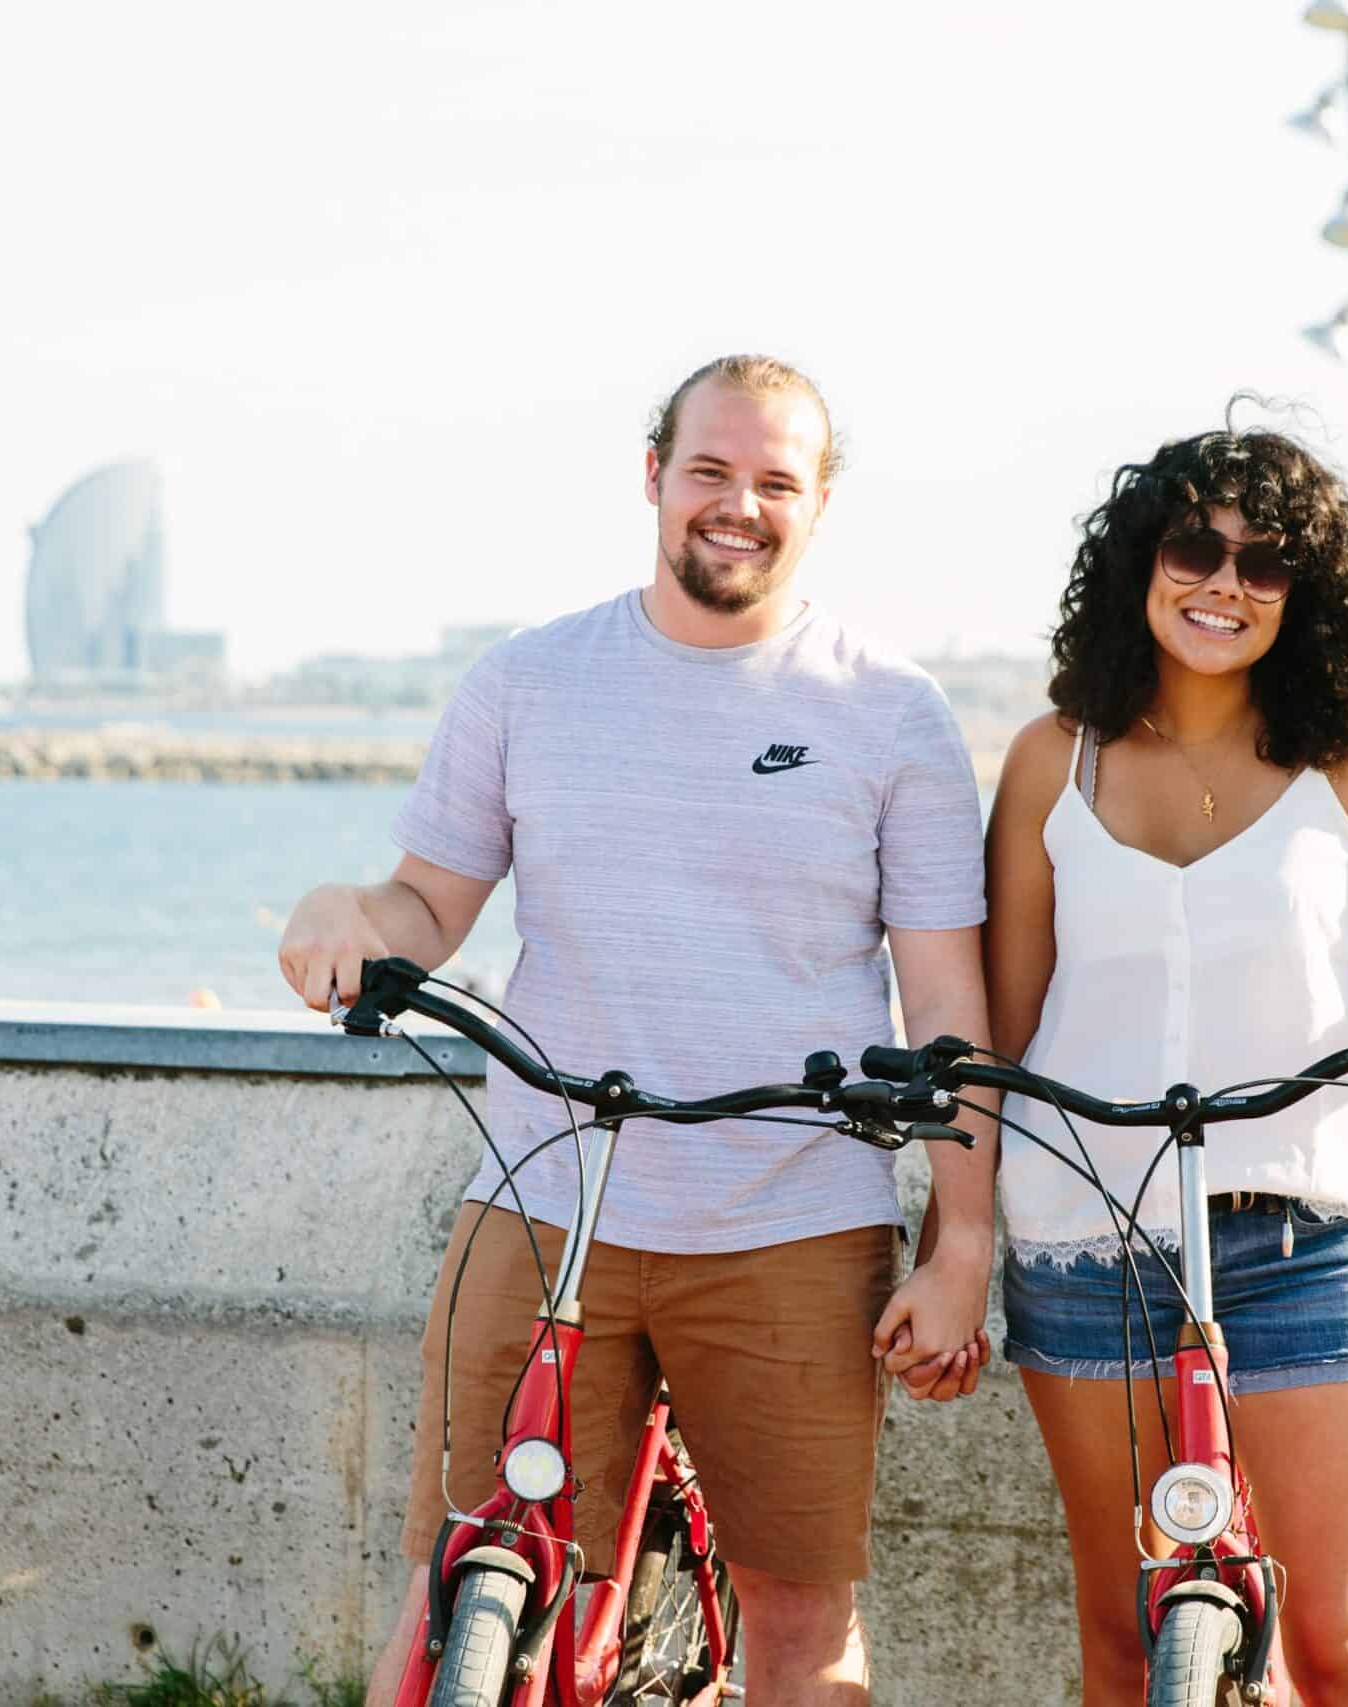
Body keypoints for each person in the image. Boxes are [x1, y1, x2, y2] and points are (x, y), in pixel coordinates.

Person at [277, 354, 996, 1707]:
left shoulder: (890, 709)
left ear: (820, 502)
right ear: (653, 475)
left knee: (798, 1612)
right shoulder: (530, 679)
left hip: (796, 1212)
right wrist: (339, 907)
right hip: (546, 1196)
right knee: (464, 1576)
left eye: (776, 479)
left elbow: (947, 1003)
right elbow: (426, 901)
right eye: (710, 470)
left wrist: (964, 1242)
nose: (739, 505)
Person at [981, 421, 1348, 1706]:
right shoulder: (1047, 760)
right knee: (1125, 1644)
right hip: (1083, 1243)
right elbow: (994, 1043)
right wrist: (953, 1238)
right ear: (1141, 562)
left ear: (1310, 592)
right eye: (1193, 546)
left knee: (1340, 1649)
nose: (1223, 582)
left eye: (1266, 562)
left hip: (1308, 1238)